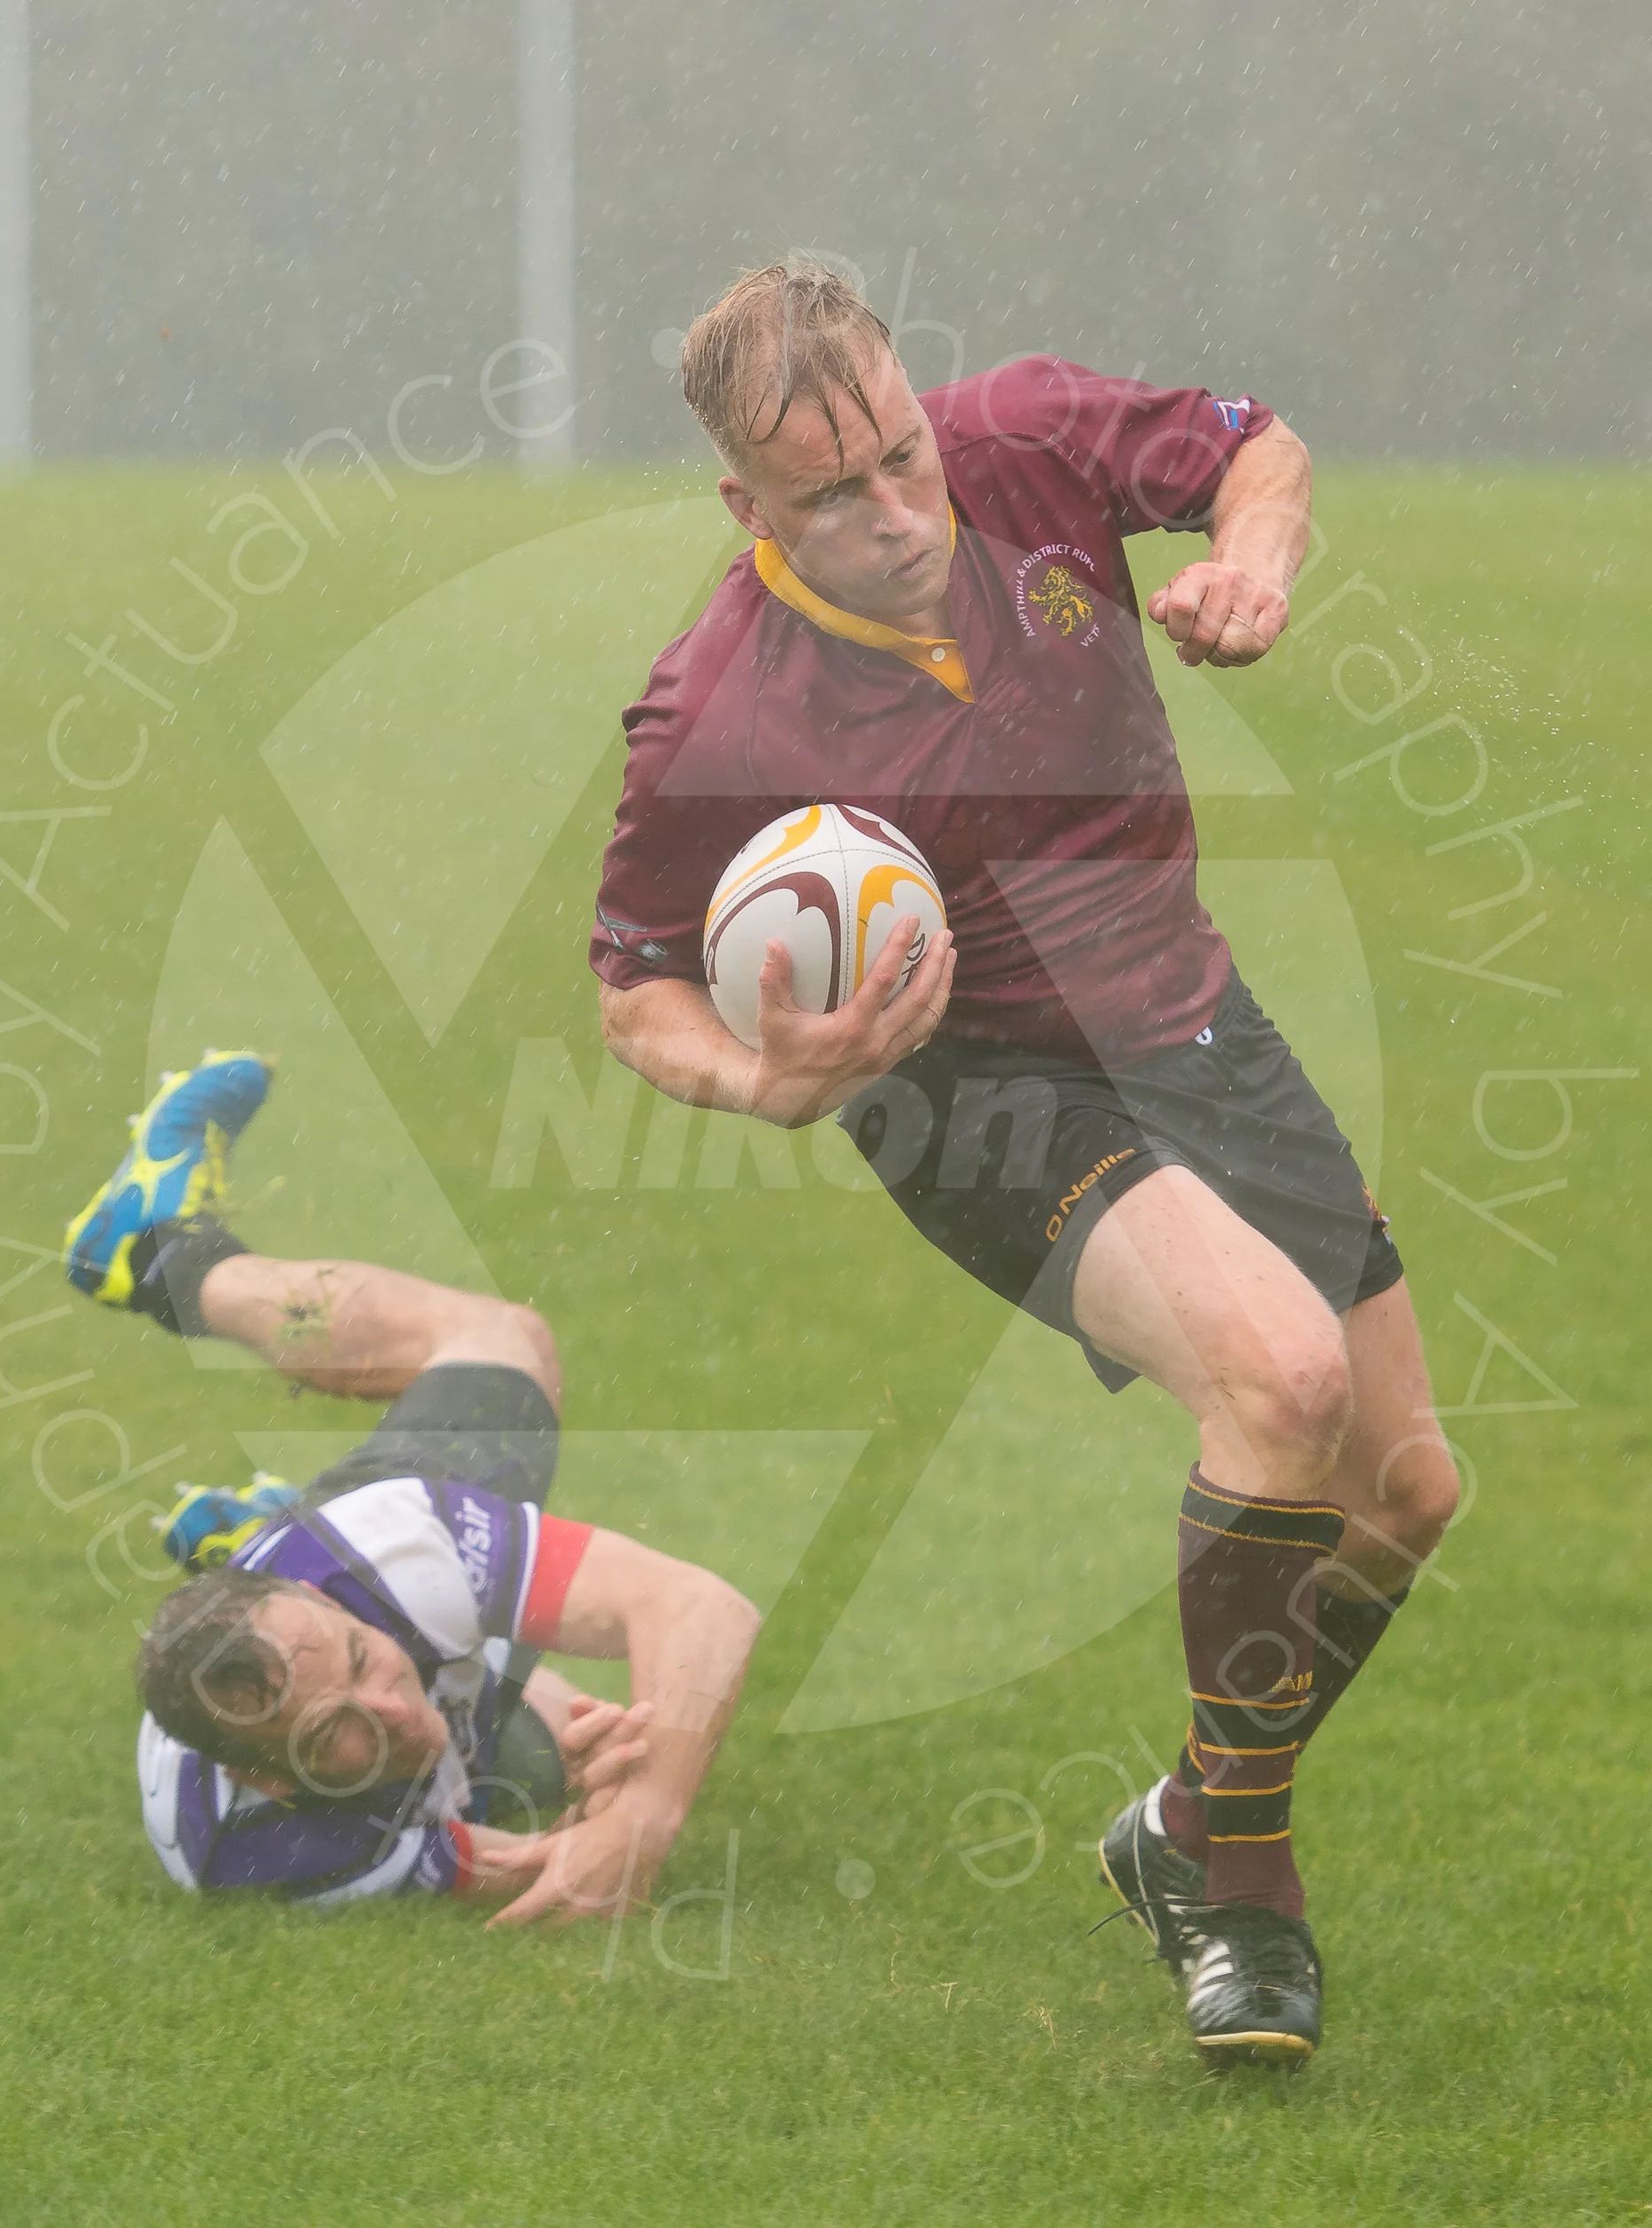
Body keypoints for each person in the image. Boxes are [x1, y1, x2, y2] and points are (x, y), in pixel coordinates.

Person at [590, 259, 1461, 2062]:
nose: (897, 511)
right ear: (747, 508)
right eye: (832, 495)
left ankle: (1179, 1826)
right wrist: (767, 1080)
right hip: (968, 1086)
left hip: (1190, 1018)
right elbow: (633, 985)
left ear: (923, 407)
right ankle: (1246, 1903)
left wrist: (1254, 561)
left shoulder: (1031, 437)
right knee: (1280, 1381)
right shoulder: (715, 710)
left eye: (901, 456)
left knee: (1402, 1493)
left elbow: (1256, 447)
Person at [64, 1050, 759, 1921]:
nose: (392, 1708)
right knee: (579, 1735)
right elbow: (532, 1866)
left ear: (324, 1603)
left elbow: (698, 1607)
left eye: (362, 1659)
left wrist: (641, 1819)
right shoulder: (253, 1847)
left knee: (500, 1343)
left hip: (362, 1554)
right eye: (335, 1731)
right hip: (382, 1626)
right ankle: (260, 1537)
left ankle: (165, 1253)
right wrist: (599, 1808)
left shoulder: (385, 1551)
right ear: (269, 1778)